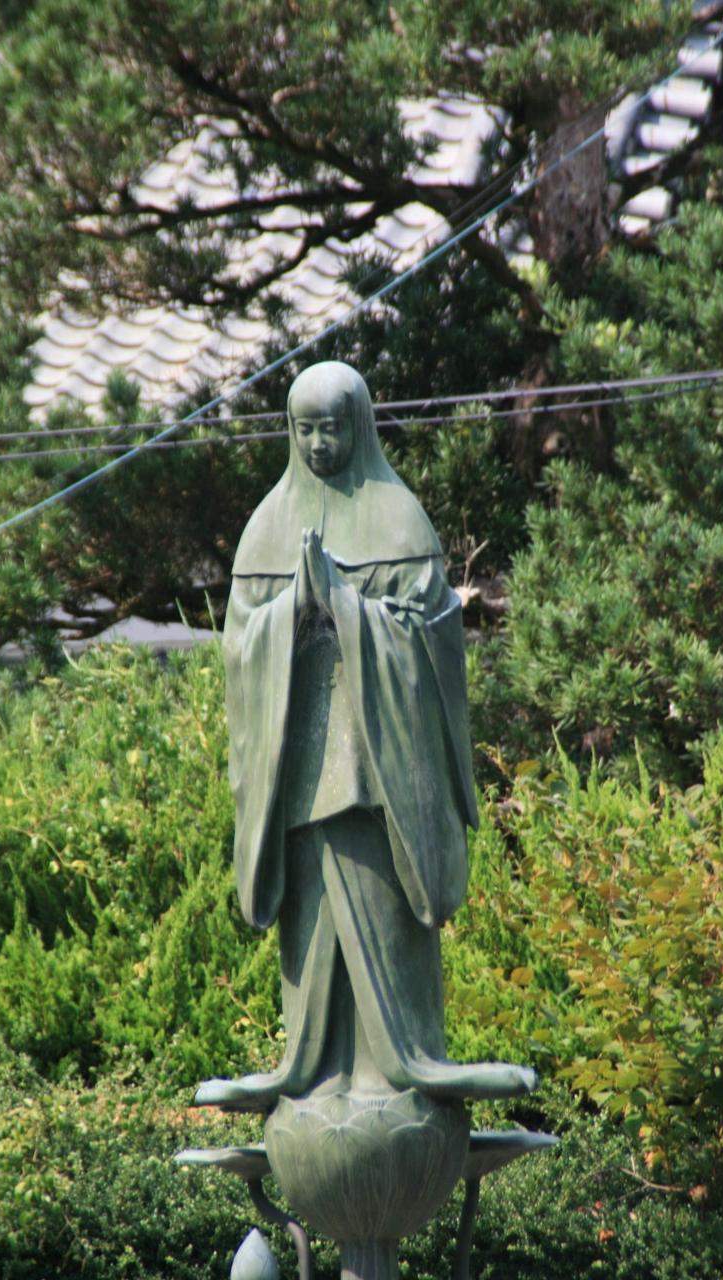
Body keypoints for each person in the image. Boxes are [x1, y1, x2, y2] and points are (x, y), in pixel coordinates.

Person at [195, 361, 535, 1109]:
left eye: (331, 429)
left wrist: (347, 607)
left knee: (385, 917)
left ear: (359, 426)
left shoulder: (398, 519)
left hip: (383, 780)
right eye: (304, 430)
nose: (318, 444)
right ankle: (307, 1073)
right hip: (299, 775)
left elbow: (432, 639)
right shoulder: (266, 529)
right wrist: (294, 608)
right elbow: (241, 647)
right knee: (310, 926)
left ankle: (408, 1062)